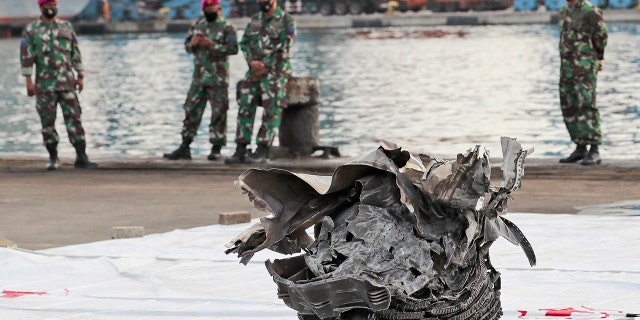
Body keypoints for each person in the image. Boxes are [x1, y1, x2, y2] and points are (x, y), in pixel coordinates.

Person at [20, 0, 97, 170]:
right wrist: (28, 80)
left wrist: (80, 75)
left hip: (67, 83)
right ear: (41, 7)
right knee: (47, 122)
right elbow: (27, 56)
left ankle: (81, 157)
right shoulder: (31, 30)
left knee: (74, 118)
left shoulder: (66, 27)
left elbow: (75, 52)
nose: (51, 8)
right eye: (48, 5)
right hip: (45, 85)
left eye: (54, 5)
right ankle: (53, 158)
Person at [163, 0, 238, 161]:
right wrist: (193, 43)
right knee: (191, 110)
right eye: (206, 9)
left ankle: (216, 148)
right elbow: (187, 47)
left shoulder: (228, 27)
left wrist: (212, 45)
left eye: (212, 9)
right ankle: (185, 146)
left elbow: (233, 49)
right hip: (198, 77)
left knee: (219, 112)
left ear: (219, 9)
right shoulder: (198, 24)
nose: (209, 11)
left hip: (218, 78)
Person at [224, 0, 296, 164]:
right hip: (254, 70)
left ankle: (263, 148)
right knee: (245, 105)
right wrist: (252, 63)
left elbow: (286, 44)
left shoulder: (287, 20)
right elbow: (245, 43)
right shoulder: (254, 19)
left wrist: (265, 65)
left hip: (275, 71)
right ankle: (241, 148)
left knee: (272, 108)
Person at [557, 0, 608, 165]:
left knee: (586, 103)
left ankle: (594, 149)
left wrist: (598, 58)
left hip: (585, 66)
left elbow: (601, 36)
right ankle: (580, 147)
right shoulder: (564, 11)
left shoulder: (590, 10)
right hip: (567, 67)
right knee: (569, 104)